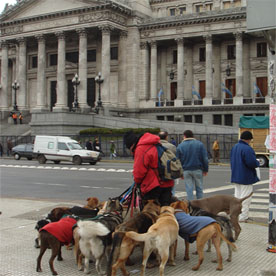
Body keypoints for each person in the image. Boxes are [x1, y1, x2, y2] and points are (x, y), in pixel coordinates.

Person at [123, 131, 173, 206]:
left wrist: (137, 182)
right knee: (165, 211)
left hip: (153, 186)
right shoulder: (155, 144)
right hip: (167, 182)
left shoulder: (141, 149)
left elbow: (139, 172)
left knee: (150, 213)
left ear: (131, 145)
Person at [230, 130, 260, 223]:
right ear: (248, 139)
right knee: (246, 198)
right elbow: (251, 163)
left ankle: (235, 215)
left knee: (237, 197)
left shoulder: (235, 147)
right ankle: (243, 217)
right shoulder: (247, 149)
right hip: (246, 177)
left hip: (236, 175)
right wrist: (257, 162)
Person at [176, 130, 209, 200]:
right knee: (199, 188)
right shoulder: (200, 144)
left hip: (186, 170)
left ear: (184, 136)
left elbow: (178, 160)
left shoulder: (180, 146)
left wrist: (180, 172)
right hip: (198, 169)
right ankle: (200, 204)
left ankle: (190, 205)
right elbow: (205, 158)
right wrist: (205, 169)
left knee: (189, 189)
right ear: (193, 136)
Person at [159, 131, 177, 195]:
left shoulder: (155, 146)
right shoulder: (172, 146)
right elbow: (175, 159)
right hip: (170, 170)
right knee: (172, 189)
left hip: (159, 171)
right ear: (166, 137)